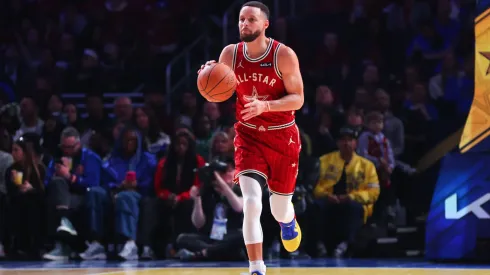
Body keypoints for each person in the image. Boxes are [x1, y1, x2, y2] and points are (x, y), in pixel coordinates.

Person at [198, 2, 304, 274]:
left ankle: (288, 220)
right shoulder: (230, 54)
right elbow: (218, 83)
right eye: (241, 19)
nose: (244, 24)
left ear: (265, 24)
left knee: (278, 208)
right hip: (248, 136)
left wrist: (266, 106)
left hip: (283, 137)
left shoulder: (283, 55)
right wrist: (207, 75)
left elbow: (298, 98)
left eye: (251, 20)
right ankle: (256, 267)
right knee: (251, 202)